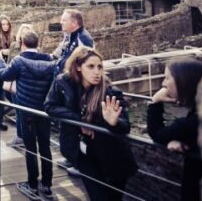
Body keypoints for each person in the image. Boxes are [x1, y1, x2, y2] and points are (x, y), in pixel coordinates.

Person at [45, 46, 137, 201]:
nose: (97, 72)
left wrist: (112, 122)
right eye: (91, 66)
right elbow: (49, 106)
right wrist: (81, 120)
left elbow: (125, 126)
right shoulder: (63, 82)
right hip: (85, 155)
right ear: (78, 67)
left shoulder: (110, 91)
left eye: (100, 66)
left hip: (112, 156)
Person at [0, 30, 56, 200]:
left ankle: (33, 185)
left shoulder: (19, 61)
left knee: (30, 149)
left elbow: (4, 74)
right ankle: (48, 186)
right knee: (45, 148)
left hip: (26, 111)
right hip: (44, 111)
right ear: (37, 44)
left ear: (22, 43)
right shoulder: (50, 61)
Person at [147, 59, 202, 201]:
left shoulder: (190, 124)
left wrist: (155, 102)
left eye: (167, 78)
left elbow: (157, 134)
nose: (163, 84)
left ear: (183, 81)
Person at [52, 9, 94, 76]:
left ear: (74, 23)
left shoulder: (83, 39)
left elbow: (88, 65)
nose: (61, 22)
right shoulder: (69, 35)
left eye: (64, 20)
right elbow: (56, 55)